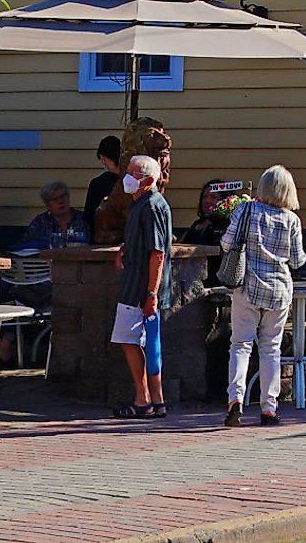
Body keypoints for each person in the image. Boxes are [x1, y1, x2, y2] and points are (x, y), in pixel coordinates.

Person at [219, 166, 306, 426]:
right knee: (271, 349)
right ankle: (269, 408)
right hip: (279, 291)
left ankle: (235, 400)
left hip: (246, 286)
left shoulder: (246, 210)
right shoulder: (292, 220)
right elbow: (298, 260)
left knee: (240, 345)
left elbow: (226, 243)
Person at [109, 155, 171, 419]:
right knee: (143, 343)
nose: (129, 178)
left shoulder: (152, 206)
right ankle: (155, 400)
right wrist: (124, 250)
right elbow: (141, 242)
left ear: (148, 180)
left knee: (131, 340)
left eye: (135, 174)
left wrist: (151, 294)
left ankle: (143, 398)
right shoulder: (139, 204)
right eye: (129, 172)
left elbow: (158, 253)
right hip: (135, 283)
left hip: (140, 288)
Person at [15, 182, 88, 253]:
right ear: (47, 204)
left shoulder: (84, 218)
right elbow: (21, 246)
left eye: (63, 196)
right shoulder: (40, 222)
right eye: (55, 199)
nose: (60, 201)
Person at [82, 136, 125, 232]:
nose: (103, 163)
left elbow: (89, 216)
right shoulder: (132, 180)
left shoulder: (98, 184)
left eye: (104, 159)